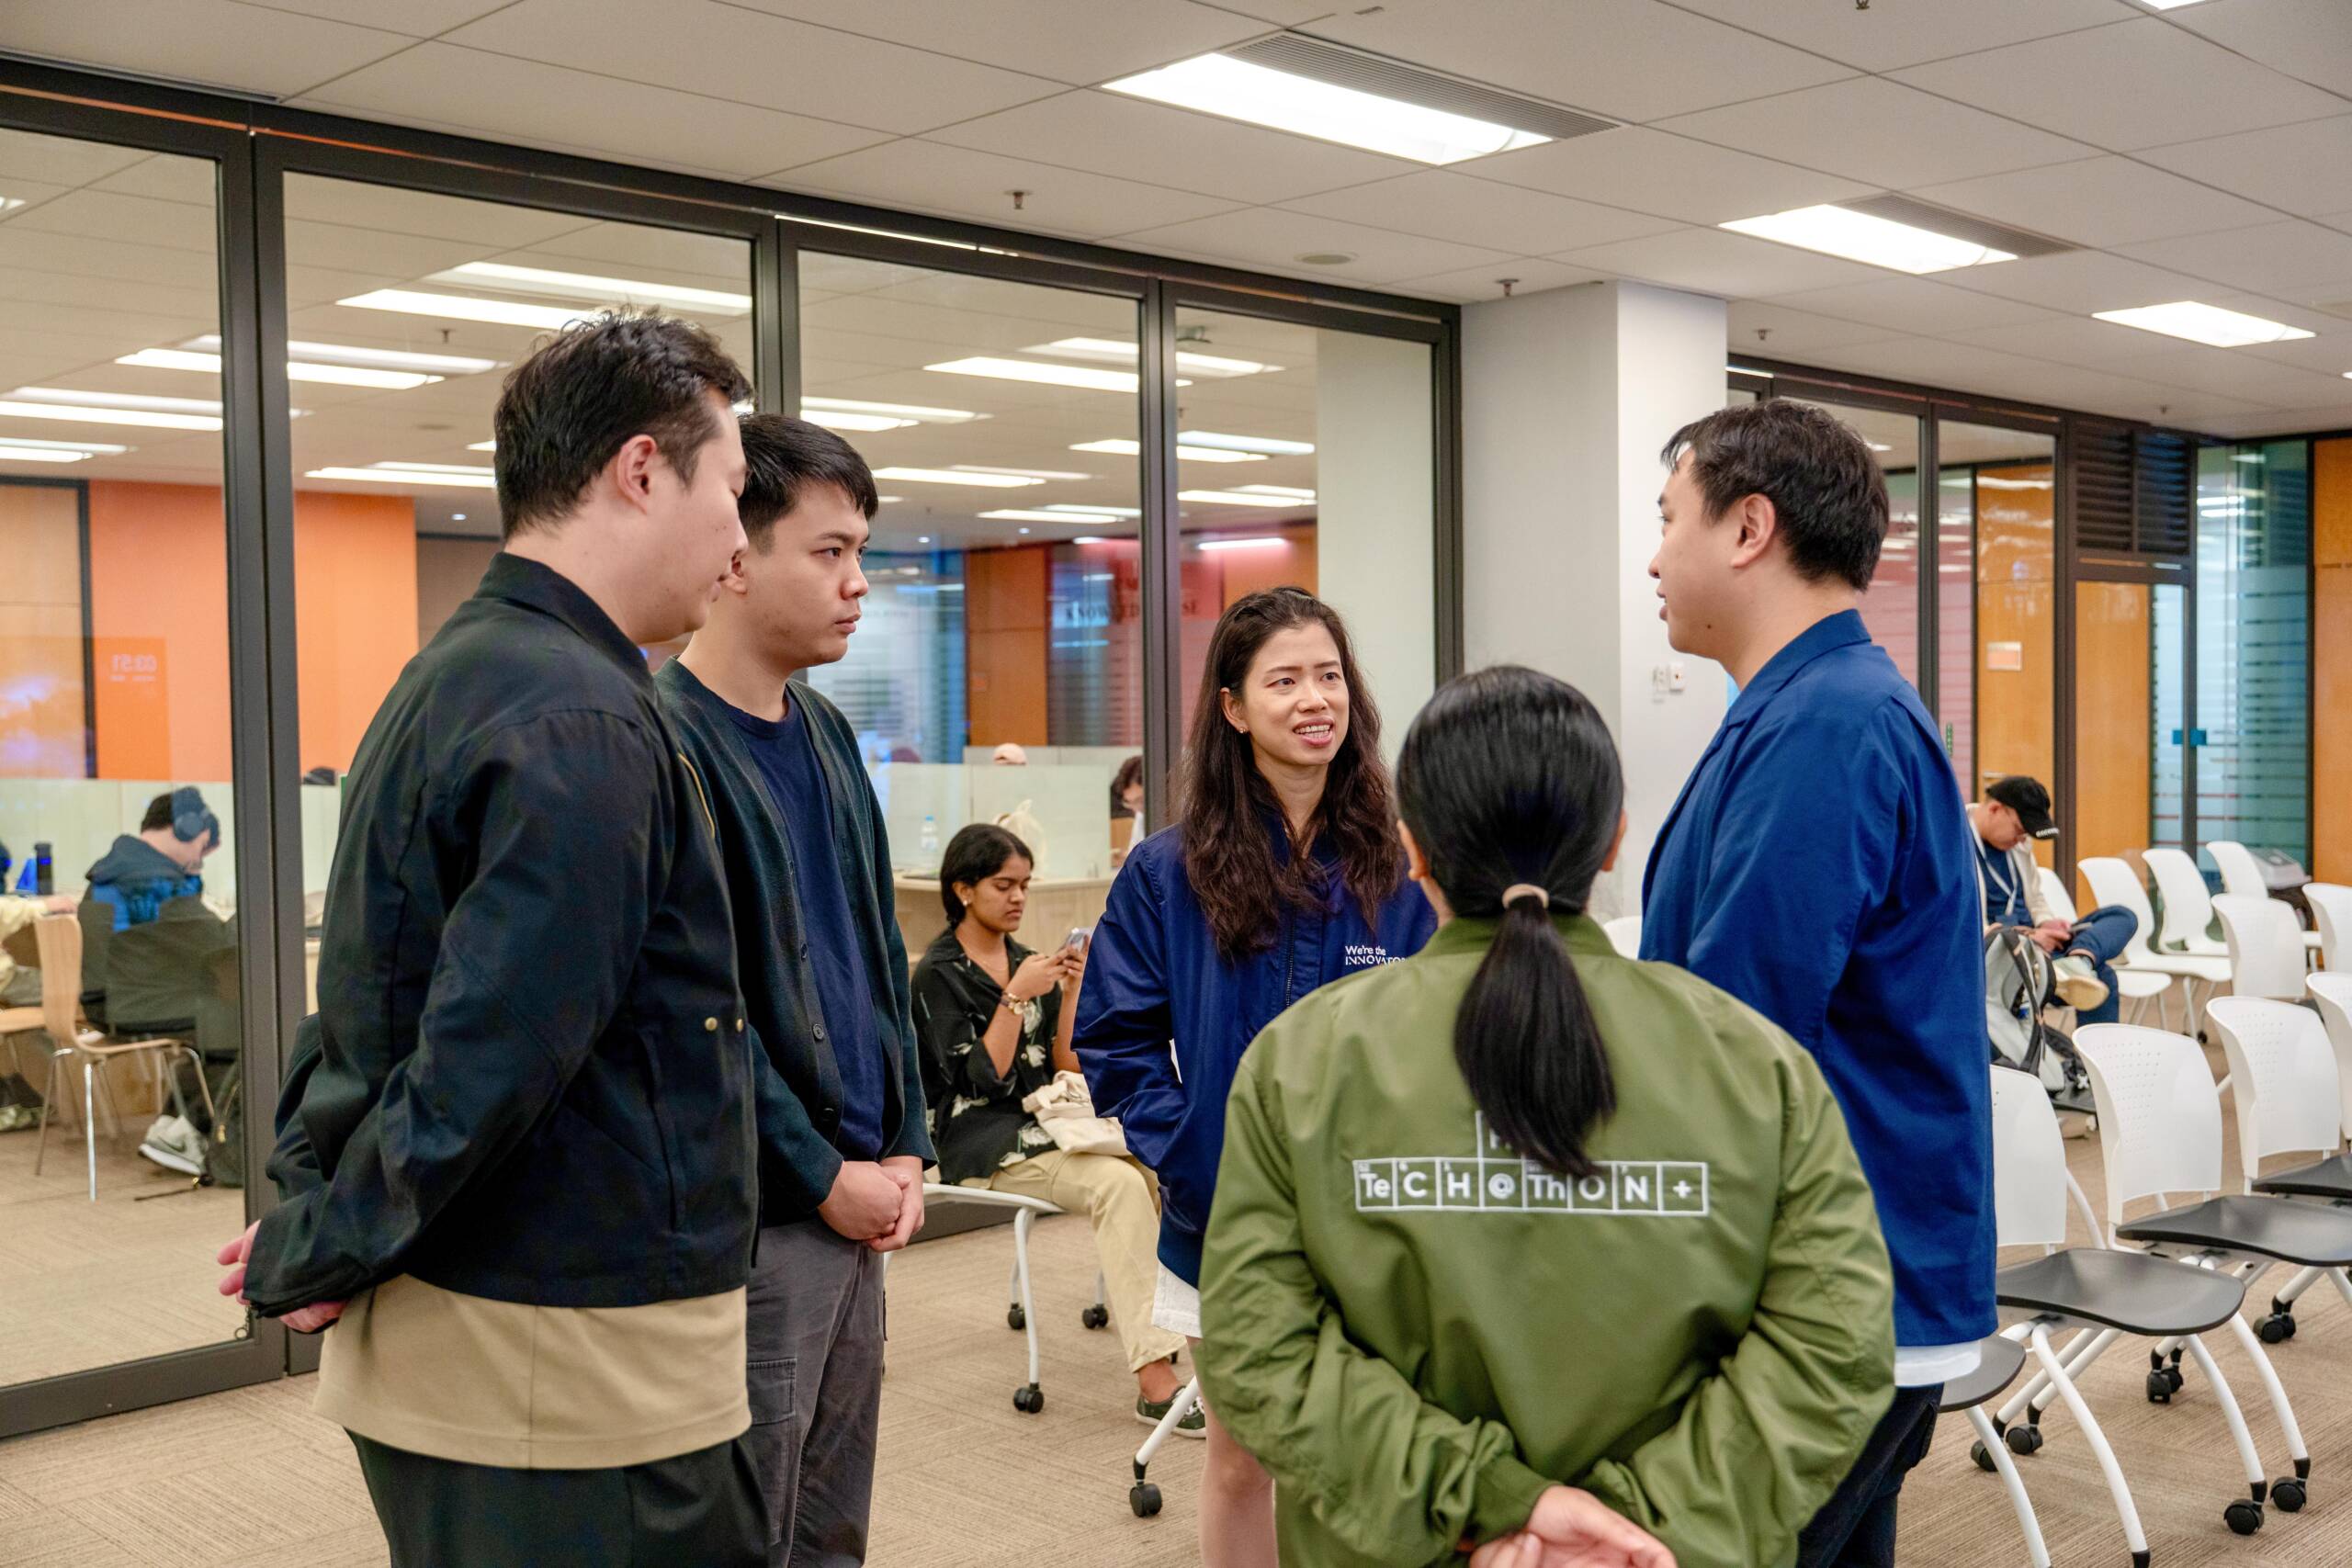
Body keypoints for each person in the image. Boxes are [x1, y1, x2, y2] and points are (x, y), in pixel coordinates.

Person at [218, 312, 767, 1568]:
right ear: (641, 471)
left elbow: (375, 999)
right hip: (562, 1371)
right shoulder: (578, 714)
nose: (740, 540)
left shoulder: (472, 671)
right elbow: (488, 1055)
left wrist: (323, 1209)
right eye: (733, 490)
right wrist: (322, 1236)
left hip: (511, 1339)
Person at [1198, 665, 1894, 1568]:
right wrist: (1636, 1528)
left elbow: (1258, 1349)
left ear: (1413, 851)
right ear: (1614, 842)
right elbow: (1836, 1344)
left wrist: (1484, 1503)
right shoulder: (1757, 1065)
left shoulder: (1299, 1061)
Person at [1638, 399, 1994, 1568]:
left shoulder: (1826, 725)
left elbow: (1735, 1028)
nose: (1654, 558)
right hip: (1842, 1275)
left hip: (1825, 1289)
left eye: (1668, 519)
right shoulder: (1816, 706)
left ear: (1748, 528)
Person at [1077, 586, 1437, 1568]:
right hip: (1225, 1219)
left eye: (1329, 676)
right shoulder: (1168, 872)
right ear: (1233, 708)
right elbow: (1115, 1039)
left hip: (1379, 1220)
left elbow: (1453, 1033)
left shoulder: (1406, 868)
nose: (1314, 699)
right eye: (1284, 681)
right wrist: (1198, 1155)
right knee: (1242, 1461)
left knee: (1367, 1458)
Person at [655, 413, 933, 1567]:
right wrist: (822, 1176)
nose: (857, 582)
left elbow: (876, 954)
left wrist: (907, 1141)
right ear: (736, 557)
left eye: (860, 551)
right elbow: (693, 1015)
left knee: (830, 1529)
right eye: (829, 553)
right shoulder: (667, 747)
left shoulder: (821, 730)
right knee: (750, 1531)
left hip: (864, 1194)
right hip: (767, 1219)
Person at [910, 824, 1194, 1432]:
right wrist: (1014, 999)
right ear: (963, 889)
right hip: (978, 1138)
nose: (1018, 897)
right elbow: (983, 1079)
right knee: (1116, 1186)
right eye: (1003, 885)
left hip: (1044, 1125)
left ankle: (1173, 1330)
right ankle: (1154, 1380)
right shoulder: (937, 974)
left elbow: (1065, 1063)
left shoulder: (1025, 960)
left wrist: (1069, 992)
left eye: (1024, 884)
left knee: (1154, 1164)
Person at [1970, 775, 2130, 1023]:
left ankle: (2080, 959)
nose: (2022, 840)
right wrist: (2030, 938)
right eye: (2020, 830)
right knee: (2103, 975)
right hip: (2006, 954)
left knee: (2122, 916)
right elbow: (1965, 928)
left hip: (2039, 942)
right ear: (1995, 809)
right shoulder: (1956, 847)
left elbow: (2035, 899)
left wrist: (2046, 923)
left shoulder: (2016, 847)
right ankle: (2072, 967)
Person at [86, 786, 218, 931]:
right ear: (186, 829)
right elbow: (210, 935)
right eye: (202, 844)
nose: (198, 857)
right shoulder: (158, 884)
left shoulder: (113, 869)